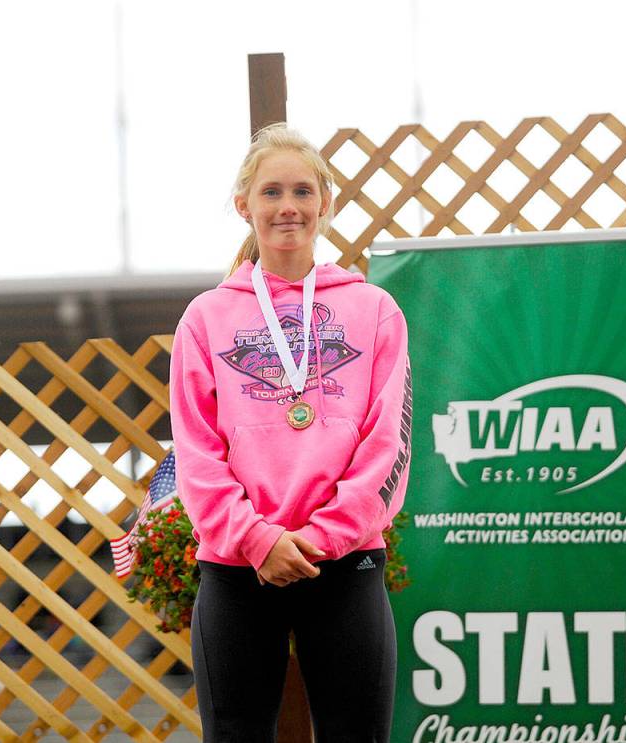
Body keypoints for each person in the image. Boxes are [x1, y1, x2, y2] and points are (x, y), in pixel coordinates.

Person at [170, 123, 411, 742]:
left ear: (325, 203)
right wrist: (257, 540)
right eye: (271, 192)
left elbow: (388, 445)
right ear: (243, 204)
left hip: (346, 563)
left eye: (303, 191)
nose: (288, 207)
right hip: (238, 567)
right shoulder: (205, 318)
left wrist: (322, 538)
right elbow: (196, 454)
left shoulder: (375, 311)